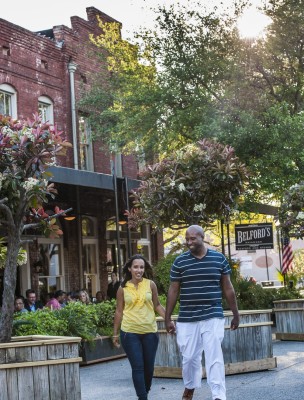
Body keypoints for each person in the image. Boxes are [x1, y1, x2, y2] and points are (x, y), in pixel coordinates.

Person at [165, 225, 240, 400]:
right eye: (187, 239)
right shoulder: (179, 262)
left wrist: (235, 314)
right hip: (187, 317)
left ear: (202, 238)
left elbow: (228, 288)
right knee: (189, 357)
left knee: (214, 354)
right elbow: (173, 290)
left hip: (212, 314)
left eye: (193, 238)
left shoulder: (219, 259)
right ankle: (190, 385)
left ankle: (218, 395)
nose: (189, 242)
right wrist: (167, 318)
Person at [113, 254, 166, 400]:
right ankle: (142, 398)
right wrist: (115, 334)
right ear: (129, 269)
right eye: (136, 267)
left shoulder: (150, 284)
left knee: (148, 369)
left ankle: (145, 393)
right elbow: (118, 311)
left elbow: (157, 305)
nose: (139, 270)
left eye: (141, 267)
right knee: (138, 367)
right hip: (129, 333)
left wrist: (168, 321)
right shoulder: (122, 288)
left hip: (150, 332)